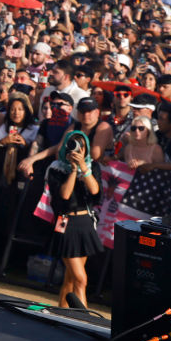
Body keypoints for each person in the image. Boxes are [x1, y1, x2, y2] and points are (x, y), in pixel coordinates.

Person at [46, 131, 103, 308]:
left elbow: (95, 191)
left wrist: (84, 169)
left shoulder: (93, 167)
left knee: (70, 279)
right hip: (66, 224)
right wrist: (73, 170)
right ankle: (83, 318)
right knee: (81, 279)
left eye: (81, 147)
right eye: (72, 145)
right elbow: (64, 194)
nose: (77, 150)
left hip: (85, 223)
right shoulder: (56, 168)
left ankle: (62, 313)